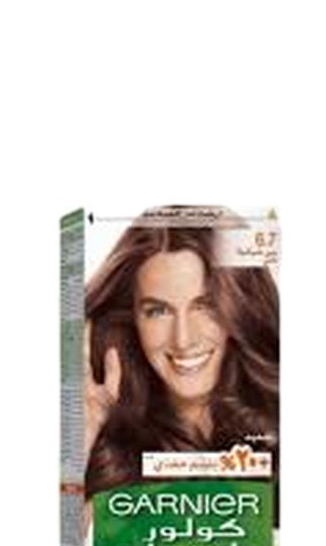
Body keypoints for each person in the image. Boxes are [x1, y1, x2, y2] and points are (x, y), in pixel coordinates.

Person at [83, 208, 279, 505]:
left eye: (206, 306)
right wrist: (82, 438)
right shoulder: (106, 449)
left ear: (240, 307)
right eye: (158, 311)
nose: (183, 340)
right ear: (132, 318)